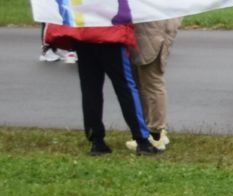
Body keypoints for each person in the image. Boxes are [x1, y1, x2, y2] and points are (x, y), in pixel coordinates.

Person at [46, 21, 158, 155]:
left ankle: (96, 141)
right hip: (111, 35)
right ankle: (142, 141)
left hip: (84, 34)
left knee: (90, 89)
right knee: (126, 88)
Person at [126, 17, 180, 151]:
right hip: (148, 31)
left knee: (152, 82)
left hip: (152, 32)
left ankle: (156, 134)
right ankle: (150, 128)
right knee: (143, 83)